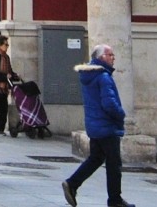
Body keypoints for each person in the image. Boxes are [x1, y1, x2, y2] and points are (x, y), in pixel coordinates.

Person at [62, 44, 135, 207]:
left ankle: (72, 184)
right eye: (110, 55)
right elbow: (109, 103)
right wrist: (121, 114)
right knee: (114, 164)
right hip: (107, 126)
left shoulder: (89, 76)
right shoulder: (103, 77)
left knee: (96, 158)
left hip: (95, 125)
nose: (113, 58)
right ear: (101, 58)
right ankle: (115, 200)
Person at [0, 34, 20, 135]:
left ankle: (0, 129)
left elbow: (9, 71)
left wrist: (15, 76)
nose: (7, 47)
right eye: (6, 45)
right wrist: (5, 77)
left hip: (4, 87)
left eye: (8, 45)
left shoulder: (6, 57)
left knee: (3, 108)